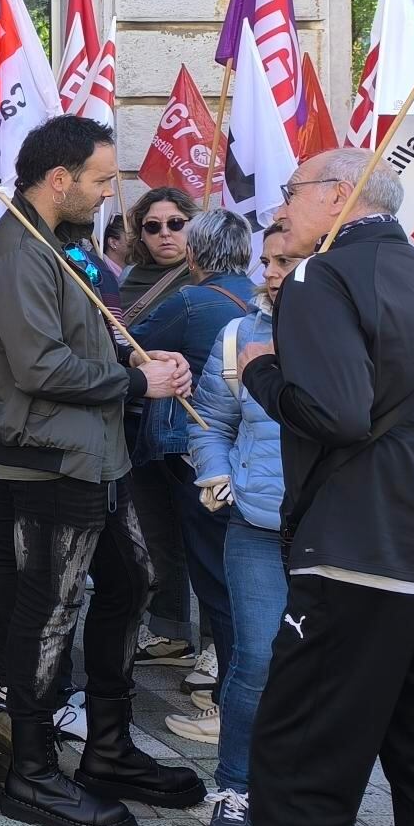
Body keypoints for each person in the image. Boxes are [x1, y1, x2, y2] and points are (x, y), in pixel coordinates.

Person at [161, 149, 414, 826]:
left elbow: (336, 411)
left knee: (298, 767)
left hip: (353, 558)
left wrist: (264, 370)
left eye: (290, 190)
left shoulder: (320, 279)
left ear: (338, 199)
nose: (279, 201)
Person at [0, 115, 204, 826]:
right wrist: (135, 385)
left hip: (94, 454)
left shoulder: (57, 246)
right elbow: (39, 367)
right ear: (59, 179)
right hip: (48, 463)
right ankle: (32, 774)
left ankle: (108, 747)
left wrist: (137, 365)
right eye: (101, 180)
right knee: (49, 611)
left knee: (130, 584)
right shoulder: (18, 253)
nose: (110, 195)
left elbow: (81, 344)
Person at [132, 208, 259, 740]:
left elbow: (126, 344)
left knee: (213, 577)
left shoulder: (190, 300)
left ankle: (231, 709)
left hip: (198, 456)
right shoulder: (260, 297)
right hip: (252, 458)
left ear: (193, 255)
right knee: (243, 580)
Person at [121, 184, 207, 665]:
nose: (165, 234)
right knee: (156, 531)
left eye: (175, 223)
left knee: (203, 532)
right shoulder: (129, 278)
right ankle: (170, 630)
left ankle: (216, 646)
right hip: (136, 420)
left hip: (189, 424)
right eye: (152, 226)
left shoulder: (203, 279)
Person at [102, 215, 129, 279]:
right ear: (113, 243)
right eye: (131, 235)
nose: (137, 240)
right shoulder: (99, 273)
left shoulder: (131, 272)